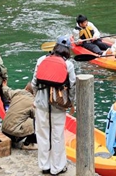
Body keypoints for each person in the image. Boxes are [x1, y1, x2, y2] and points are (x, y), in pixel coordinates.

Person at [32, 36, 76, 175]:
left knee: (42, 134)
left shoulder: (41, 60)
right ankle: (57, 167)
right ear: (67, 50)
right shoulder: (68, 65)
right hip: (58, 104)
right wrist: (72, 103)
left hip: (41, 104)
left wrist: (37, 97)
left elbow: (34, 83)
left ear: (55, 47)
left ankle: (44, 166)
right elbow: (73, 85)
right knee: (57, 136)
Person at [1, 82, 36, 149]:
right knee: (36, 120)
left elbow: (6, 90)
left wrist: (4, 84)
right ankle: (28, 143)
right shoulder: (33, 102)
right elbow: (37, 117)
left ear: (26, 87)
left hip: (4, 129)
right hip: (14, 135)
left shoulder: (16, 93)